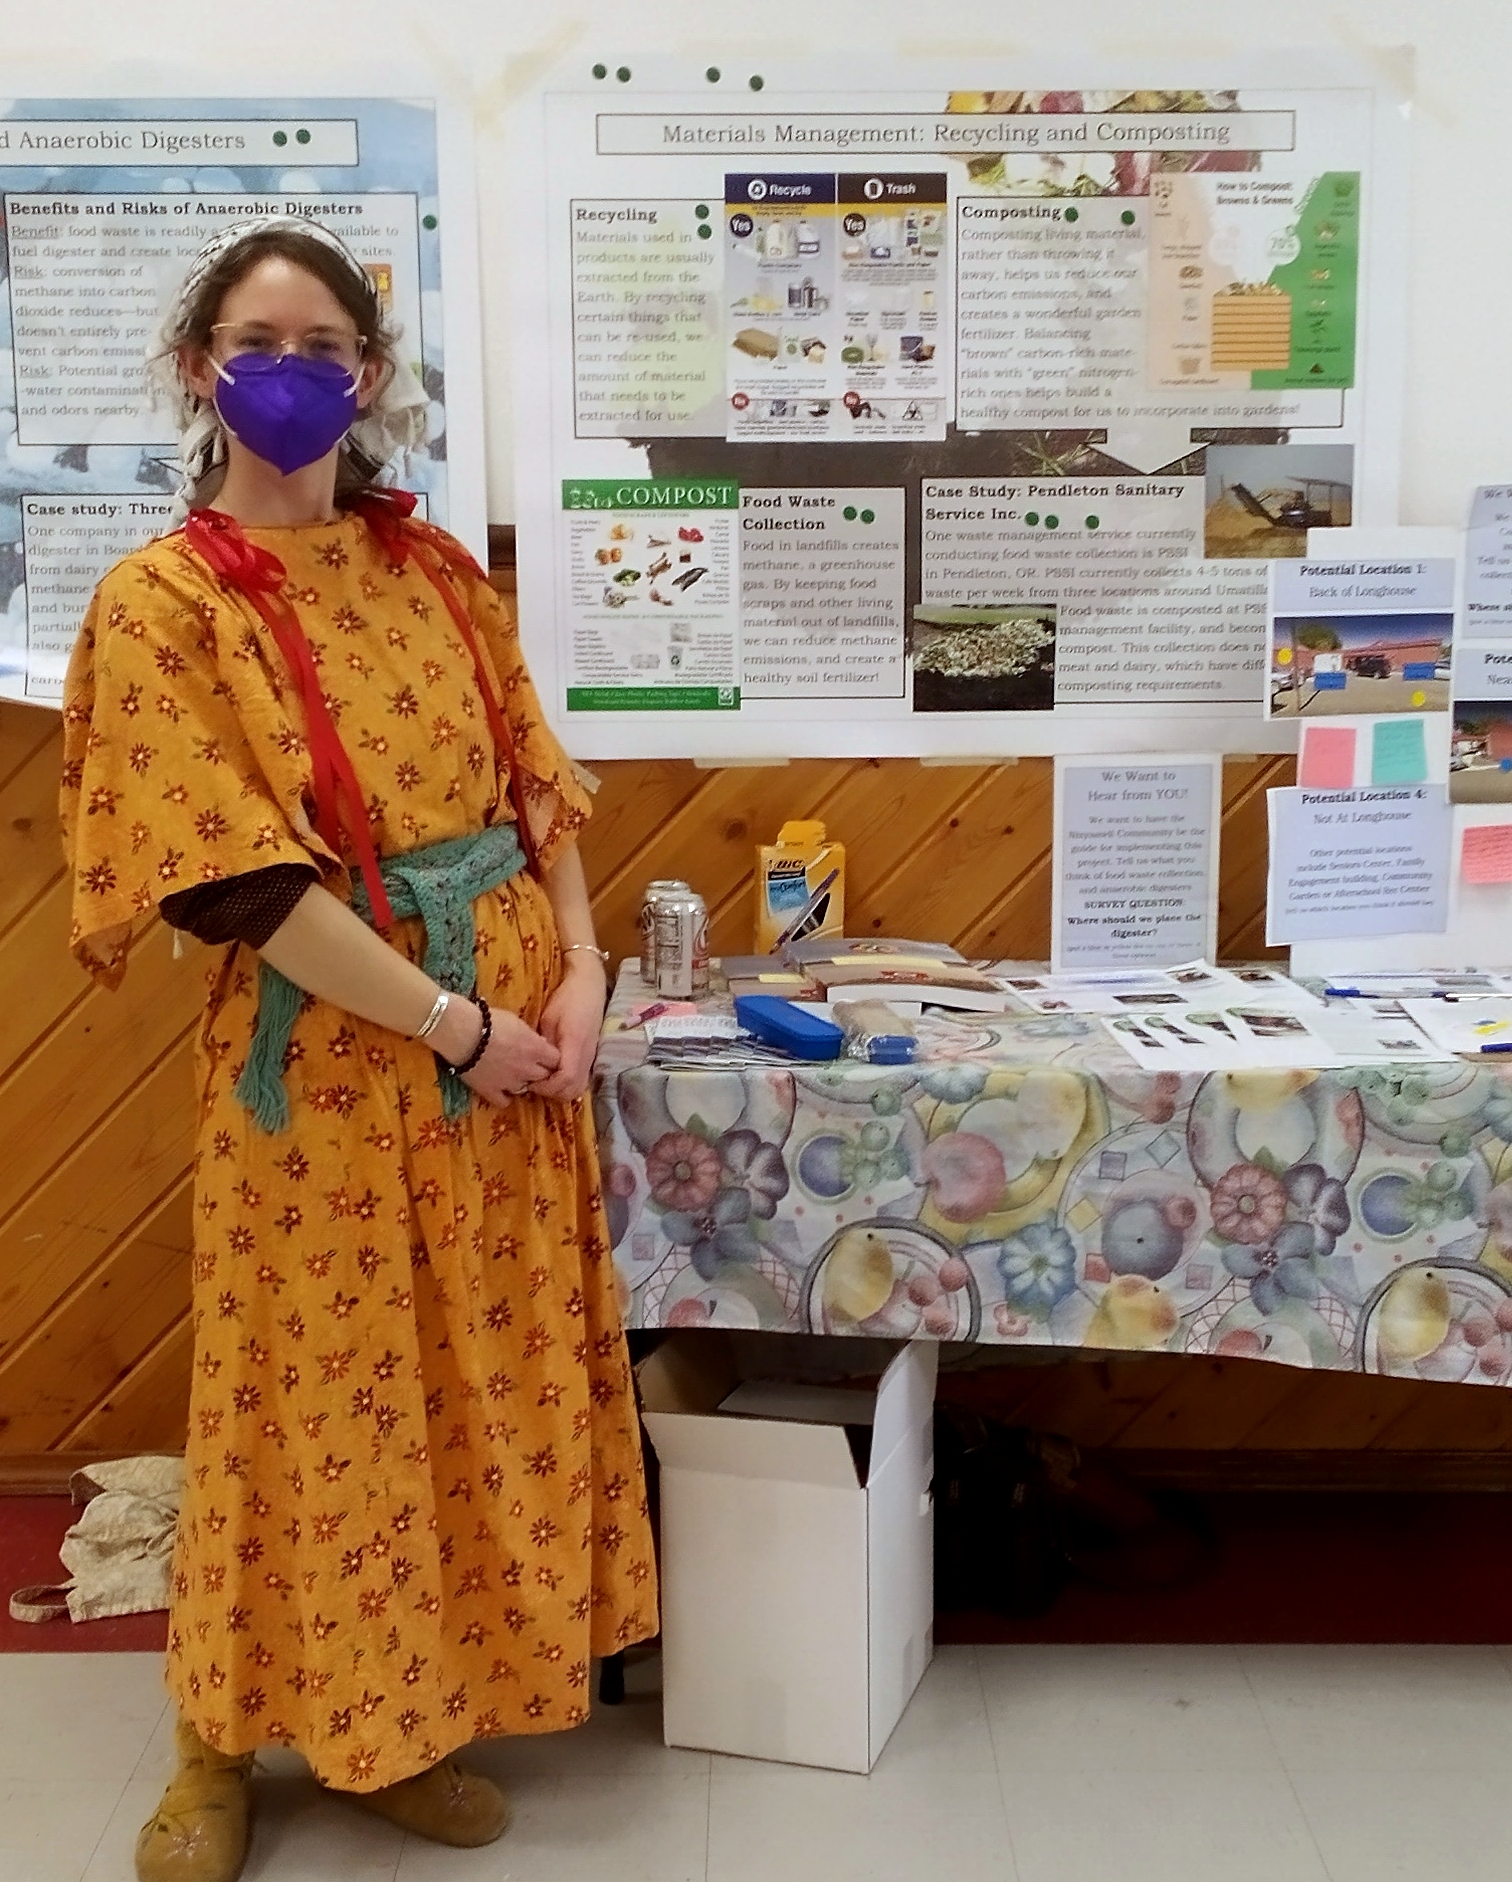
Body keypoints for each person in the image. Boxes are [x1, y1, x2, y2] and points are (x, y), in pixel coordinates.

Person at [58, 217, 656, 1882]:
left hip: (513, 1069)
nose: (299, 371)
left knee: (453, 1397)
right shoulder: (163, 603)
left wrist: (586, 972)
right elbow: (239, 883)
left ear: (372, 377)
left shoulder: (438, 571)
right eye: (263, 340)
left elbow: (540, 792)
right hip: (332, 1067)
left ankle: (395, 1725)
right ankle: (214, 1745)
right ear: (200, 365)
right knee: (301, 1401)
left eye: (330, 347)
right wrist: (455, 1021)